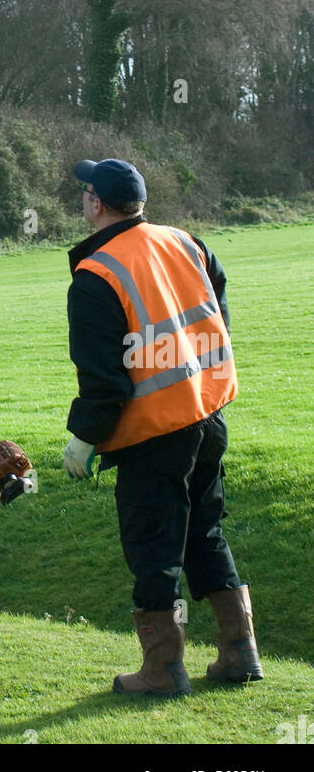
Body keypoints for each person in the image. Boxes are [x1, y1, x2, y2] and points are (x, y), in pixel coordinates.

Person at [63, 158, 263, 697]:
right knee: (206, 532)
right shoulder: (186, 242)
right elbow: (214, 314)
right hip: (206, 412)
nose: (82, 199)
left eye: (84, 192)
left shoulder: (96, 275)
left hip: (151, 433)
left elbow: (103, 380)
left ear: (95, 203)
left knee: (154, 548)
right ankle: (239, 653)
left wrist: (83, 437)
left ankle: (163, 669)